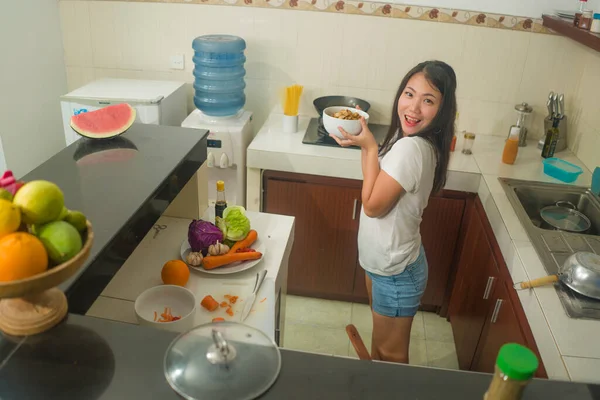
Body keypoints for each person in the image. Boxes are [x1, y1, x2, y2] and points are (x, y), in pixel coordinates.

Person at [330, 60, 457, 363]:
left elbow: (372, 206)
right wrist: (365, 146)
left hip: (396, 273)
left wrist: (371, 148)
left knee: (391, 357)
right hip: (385, 265)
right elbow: (373, 185)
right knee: (381, 352)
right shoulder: (408, 139)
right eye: (409, 94)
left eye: (428, 100)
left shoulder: (411, 148)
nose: (414, 108)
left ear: (442, 109)